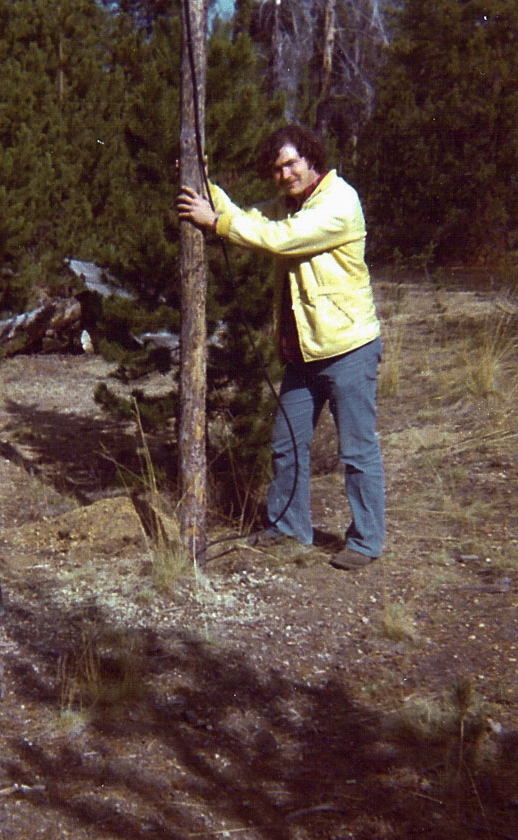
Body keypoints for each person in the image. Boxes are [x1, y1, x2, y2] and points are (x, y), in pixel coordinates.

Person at [176, 123, 385, 570]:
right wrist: (205, 184)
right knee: (287, 445)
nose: (285, 174)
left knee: (357, 450)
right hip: (302, 352)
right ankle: (290, 529)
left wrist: (217, 223)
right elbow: (252, 220)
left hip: (347, 346)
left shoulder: (338, 202)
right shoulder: (294, 205)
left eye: (291, 163)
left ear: (312, 158)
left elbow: (279, 238)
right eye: (277, 169)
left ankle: (366, 542)